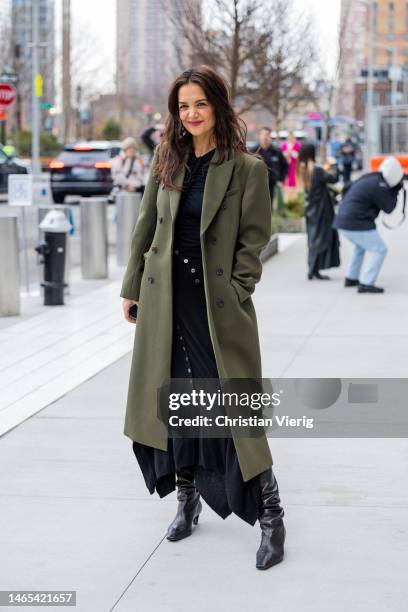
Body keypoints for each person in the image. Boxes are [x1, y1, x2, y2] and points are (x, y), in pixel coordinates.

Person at [120, 65, 286, 571]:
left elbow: (253, 240)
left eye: (199, 104)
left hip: (217, 307)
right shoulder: (165, 160)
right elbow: (145, 227)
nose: (190, 114)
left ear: (217, 106)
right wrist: (131, 288)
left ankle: (272, 515)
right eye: (182, 106)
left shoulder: (246, 168)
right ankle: (186, 498)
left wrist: (238, 292)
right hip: (165, 301)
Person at [333, 156, 404, 293]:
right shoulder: (380, 185)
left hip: (344, 221)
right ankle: (366, 283)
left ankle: (351, 278)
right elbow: (389, 208)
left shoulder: (372, 179)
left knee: (360, 247)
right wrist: (395, 191)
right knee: (379, 249)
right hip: (355, 222)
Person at [297, 143, 340, 280]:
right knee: (321, 239)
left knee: (313, 239)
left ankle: (313, 269)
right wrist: (334, 165)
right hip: (322, 210)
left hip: (310, 210)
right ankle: (313, 270)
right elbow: (334, 179)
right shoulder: (317, 170)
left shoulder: (302, 170)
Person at [250, 127, 288, 208]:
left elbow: (285, 166)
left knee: (268, 207)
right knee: (256, 208)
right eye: (263, 135)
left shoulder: (276, 151)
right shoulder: (253, 151)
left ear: (270, 137)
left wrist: (281, 179)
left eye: (267, 135)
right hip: (256, 184)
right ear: (259, 136)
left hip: (271, 184)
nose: (265, 137)